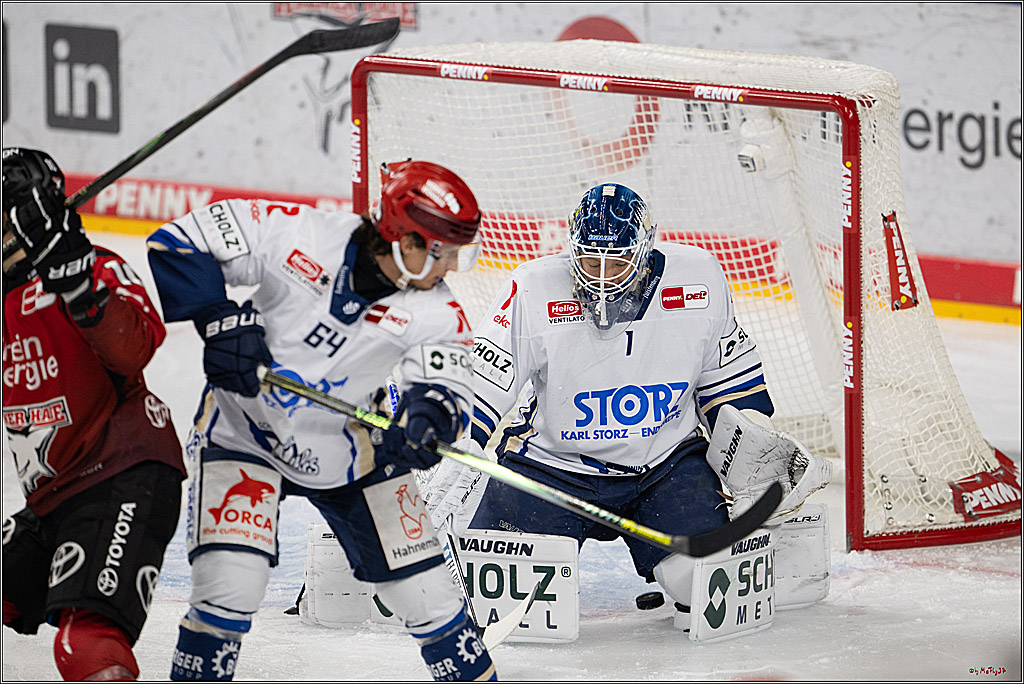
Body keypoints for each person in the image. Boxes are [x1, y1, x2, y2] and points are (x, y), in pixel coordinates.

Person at [146, 160, 497, 681]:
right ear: (404, 237)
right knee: (230, 584)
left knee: (430, 594)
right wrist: (219, 321)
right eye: (442, 252)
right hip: (245, 432)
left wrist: (427, 422)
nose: (448, 269)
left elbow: (446, 388)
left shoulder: (438, 311)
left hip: (352, 449)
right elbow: (178, 241)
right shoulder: (297, 232)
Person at [444, 183, 829, 625]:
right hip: (553, 469)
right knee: (504, 602)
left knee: (700, 585)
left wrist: (754, 460)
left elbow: (731, 393)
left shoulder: (698, 278)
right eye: (591, 259)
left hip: (664, 468)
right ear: (572, 250)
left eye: (619, 260)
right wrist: (456, 445)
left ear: (645, 251)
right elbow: (482, 385)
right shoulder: (532, 288)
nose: (603, 276)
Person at [2, 147, 186, 681]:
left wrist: (79, 287)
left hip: (123, 476)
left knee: (86, 642)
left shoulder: (95, 269)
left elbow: (135, 349)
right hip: (54, 498)